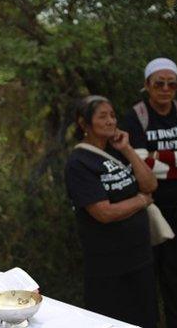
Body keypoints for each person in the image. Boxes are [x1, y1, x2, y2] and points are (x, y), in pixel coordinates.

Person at [121, 58, 177, 328]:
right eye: (159, 83)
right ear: (147, 85)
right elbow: (138, 162)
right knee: (147, 273)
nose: (165, 89)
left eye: (171, 83)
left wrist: (157, 156)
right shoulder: (136, 115)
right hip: (149, 208)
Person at [65, 95, 159, 328]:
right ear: (83, 123)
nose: (110, 121)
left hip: (140, 255)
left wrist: (127, 149)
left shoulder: (117, 150)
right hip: (108, 264)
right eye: (102, 116)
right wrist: (140, 201)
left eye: (113, 115)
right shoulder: (79, 163)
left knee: (146, 318)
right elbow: (103, 213)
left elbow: (150, 184)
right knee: (111, 321)